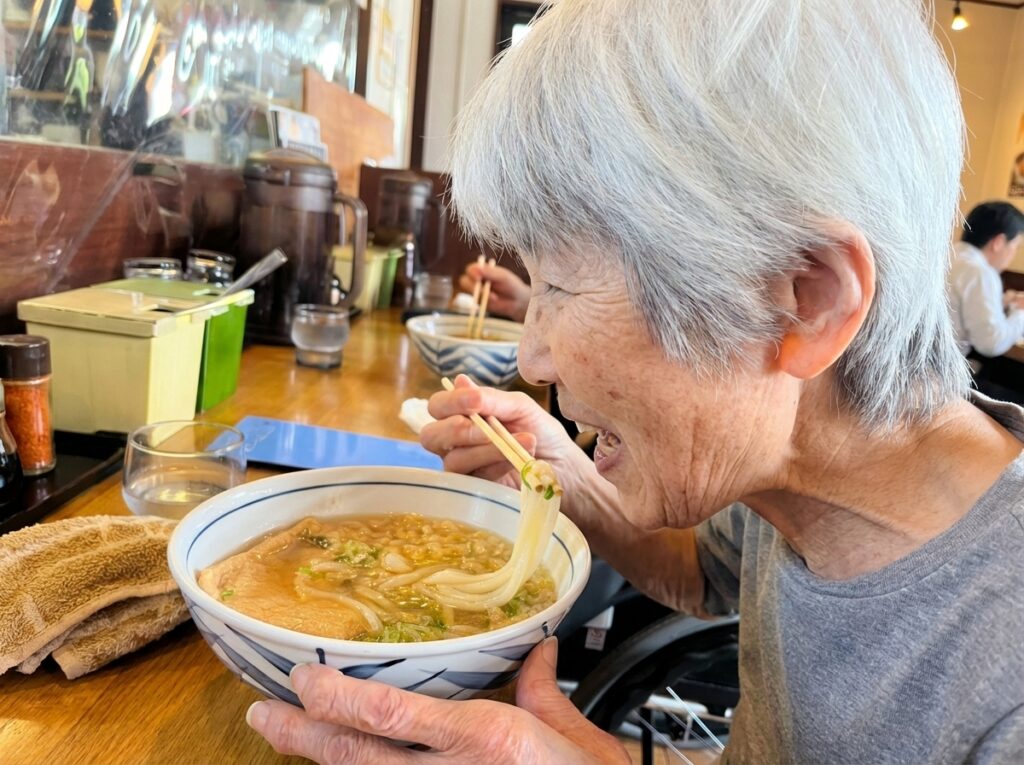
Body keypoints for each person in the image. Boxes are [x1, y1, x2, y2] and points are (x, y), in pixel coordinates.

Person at [245, 1, 1024, 763]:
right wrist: (563, 472)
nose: (533, 356)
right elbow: (696, 574)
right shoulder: (789, 452)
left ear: (806, 299)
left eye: (560, 286)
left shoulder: (1003, 683)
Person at [947, 201, 1024, 358]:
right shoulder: (981, 273)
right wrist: (1020, 311)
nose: (1013, 253)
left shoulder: (951, 255)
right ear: (998, 243)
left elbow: (963, 305)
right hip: (941, 371)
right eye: (1015, 246)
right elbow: (991, 343)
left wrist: (1003, 301)